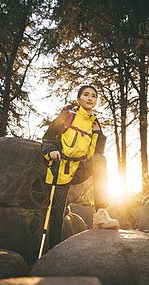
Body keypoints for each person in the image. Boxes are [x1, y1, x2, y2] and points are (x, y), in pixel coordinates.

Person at [41, 85, 119, 249]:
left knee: (100, 160)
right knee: (57, 216)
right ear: (78, 99)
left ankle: (100, 214)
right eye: (86, 95)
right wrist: (52, 151)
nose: (90, 98)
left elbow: (97, 153)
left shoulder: (94, 123)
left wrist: (98, 134)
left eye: (94, 95)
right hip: (61, 169)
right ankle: (55, 251)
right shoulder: (67, 116)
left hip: (81, 168)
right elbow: (48, 138)